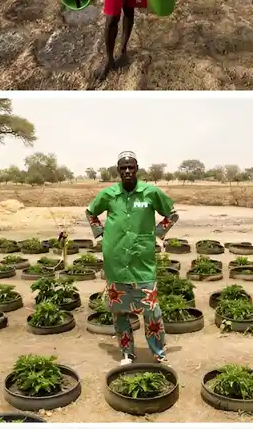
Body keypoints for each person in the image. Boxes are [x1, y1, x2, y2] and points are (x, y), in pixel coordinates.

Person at [85, 151, 179, 365]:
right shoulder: (109, 194)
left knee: (152, 310)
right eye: (123, 168)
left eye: (131, 167)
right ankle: (127, 352)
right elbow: (90, 212)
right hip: (115, 260)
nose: (127, 171)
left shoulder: (150, 192)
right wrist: (100, 234)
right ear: (118, 170)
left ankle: (158, 351)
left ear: (137, 169)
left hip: (142, 261)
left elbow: (172, 213)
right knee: (119, 312)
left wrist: (157, 234)